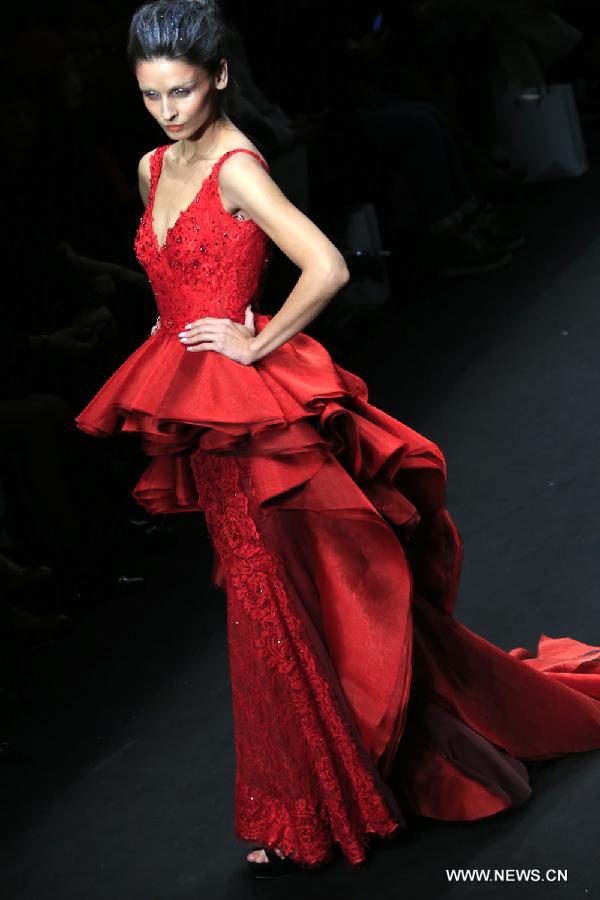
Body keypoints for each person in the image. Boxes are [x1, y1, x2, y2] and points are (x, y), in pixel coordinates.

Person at [75, 0, 600, 878]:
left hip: (256, 421)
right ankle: (313, 797)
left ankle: (322, 804)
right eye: (151, 95)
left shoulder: (239, 167)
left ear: (221, 78)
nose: (167, 110)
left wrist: (254, 340)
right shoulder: (149, 165)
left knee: (286, 602)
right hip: (204, 419)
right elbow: (170, 281)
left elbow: (325, 264)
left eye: (182, 91)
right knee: (264, 605)